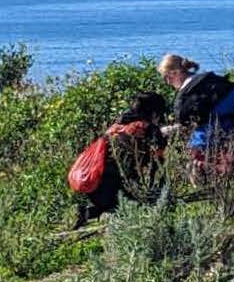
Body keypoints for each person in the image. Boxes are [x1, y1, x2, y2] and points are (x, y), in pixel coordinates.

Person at [71, 92, 169, 227]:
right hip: (119, 183)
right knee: (134, 207)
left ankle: (86, 214)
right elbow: (159, 162)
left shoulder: (116, 127)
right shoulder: (148, 129)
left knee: (111, 206)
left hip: (96, 184)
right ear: (154, 112)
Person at [158, 54, 234, 169]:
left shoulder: (186, 97)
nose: (167, 82)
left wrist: (167, 130)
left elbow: (188, 123)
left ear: (176, 72)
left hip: (227, 120)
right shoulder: (205, 79)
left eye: (166, 77)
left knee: (196, 151)